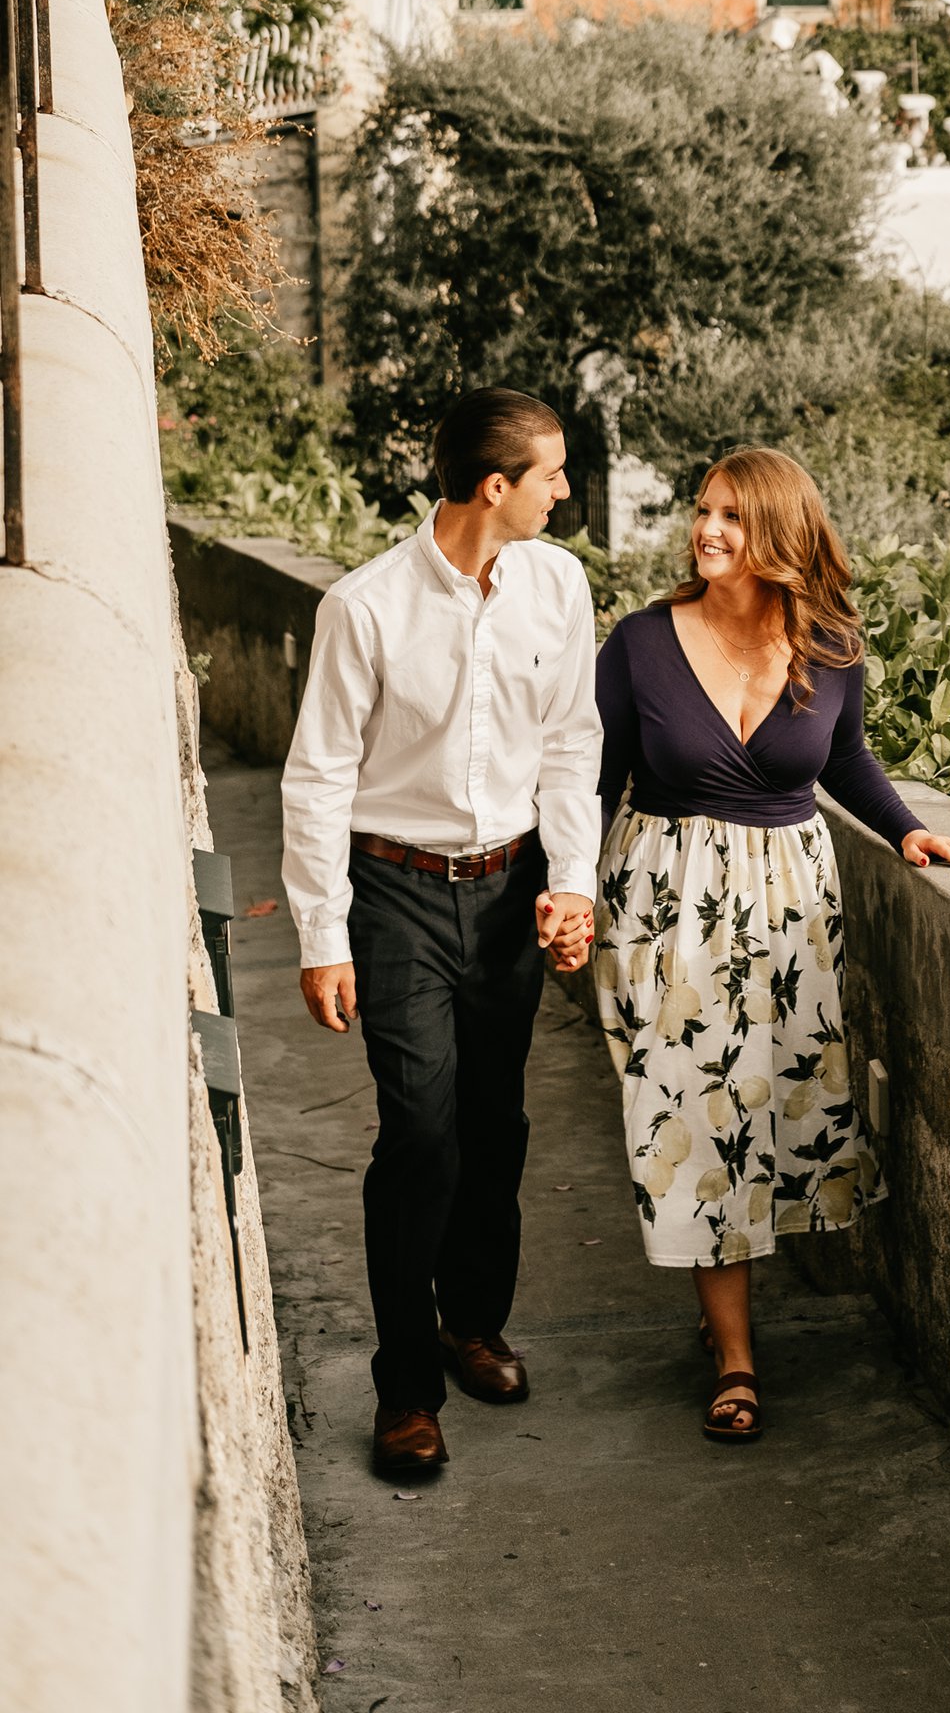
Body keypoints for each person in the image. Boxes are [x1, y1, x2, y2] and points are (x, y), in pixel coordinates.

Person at [593, 446, 950, 1441]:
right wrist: (568, 896)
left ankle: (734, 1328)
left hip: (790, 904)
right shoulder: (640, 645)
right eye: (702, 511)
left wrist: (906, 828)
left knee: (769, 1106)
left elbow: (845, 758)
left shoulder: (835, 647)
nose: (707, 530)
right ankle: (734, 1356)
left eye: (732, 516)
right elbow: (590, 780)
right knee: (692, 1110)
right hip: (668, 898)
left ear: (781, 535)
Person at [281, 387, 601, 1478]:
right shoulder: (364, 609)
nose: (567, 490)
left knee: (494, 1123)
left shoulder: (559, 587)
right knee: (420, 1134)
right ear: (494, 486)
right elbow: (319, 777)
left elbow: (570, 746)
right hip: (395, 892)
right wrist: (322, 936)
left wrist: (572, 884)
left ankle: (473, 1325)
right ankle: (407, 1386)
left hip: (511, 889)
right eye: (552, 473)